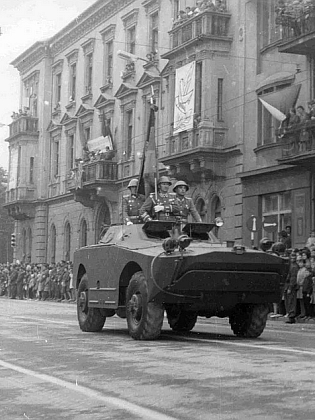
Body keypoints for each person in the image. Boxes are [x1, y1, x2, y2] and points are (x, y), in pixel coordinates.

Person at [284, 250, 299, 323]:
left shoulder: (294, 266)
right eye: (291, 256)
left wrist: (290, 287)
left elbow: (293, 278)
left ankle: (291, 316)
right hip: (287, 285)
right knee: (288, 301)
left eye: (294, 256)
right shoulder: (289, 265)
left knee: (291, 301)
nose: (292, 258)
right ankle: (289, 315)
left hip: (291, 285)